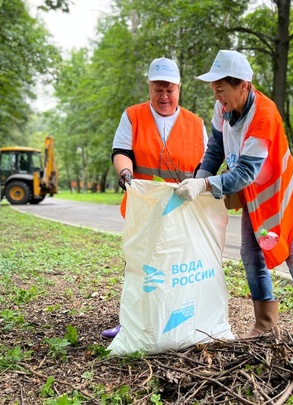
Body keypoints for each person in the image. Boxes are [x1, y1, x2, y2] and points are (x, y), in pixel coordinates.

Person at [175, 50, 293, 343]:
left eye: (221, 89)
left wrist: (203, 187)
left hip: (282, 198)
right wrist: (200, 178)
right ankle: (265, 325)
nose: (217, 96)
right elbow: (215, 148)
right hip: (256, 199)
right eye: (213, 89)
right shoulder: (224, 109)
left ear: (243, 84)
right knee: (251, 256)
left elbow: (244, 174)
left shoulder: (264, 115)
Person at [101, 57, 208, 339]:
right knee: (139, 265)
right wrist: (125, 173)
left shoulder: (196, 124)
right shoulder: (133, 116)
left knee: (178, 266)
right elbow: (121, 151)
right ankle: (131, 323)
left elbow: (206, 164)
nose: (164, 96)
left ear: (178, 89)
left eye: (169, 90)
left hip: (181, 208)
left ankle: (178, 322)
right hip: (144, 207)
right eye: (158, 89)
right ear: (149, 87)